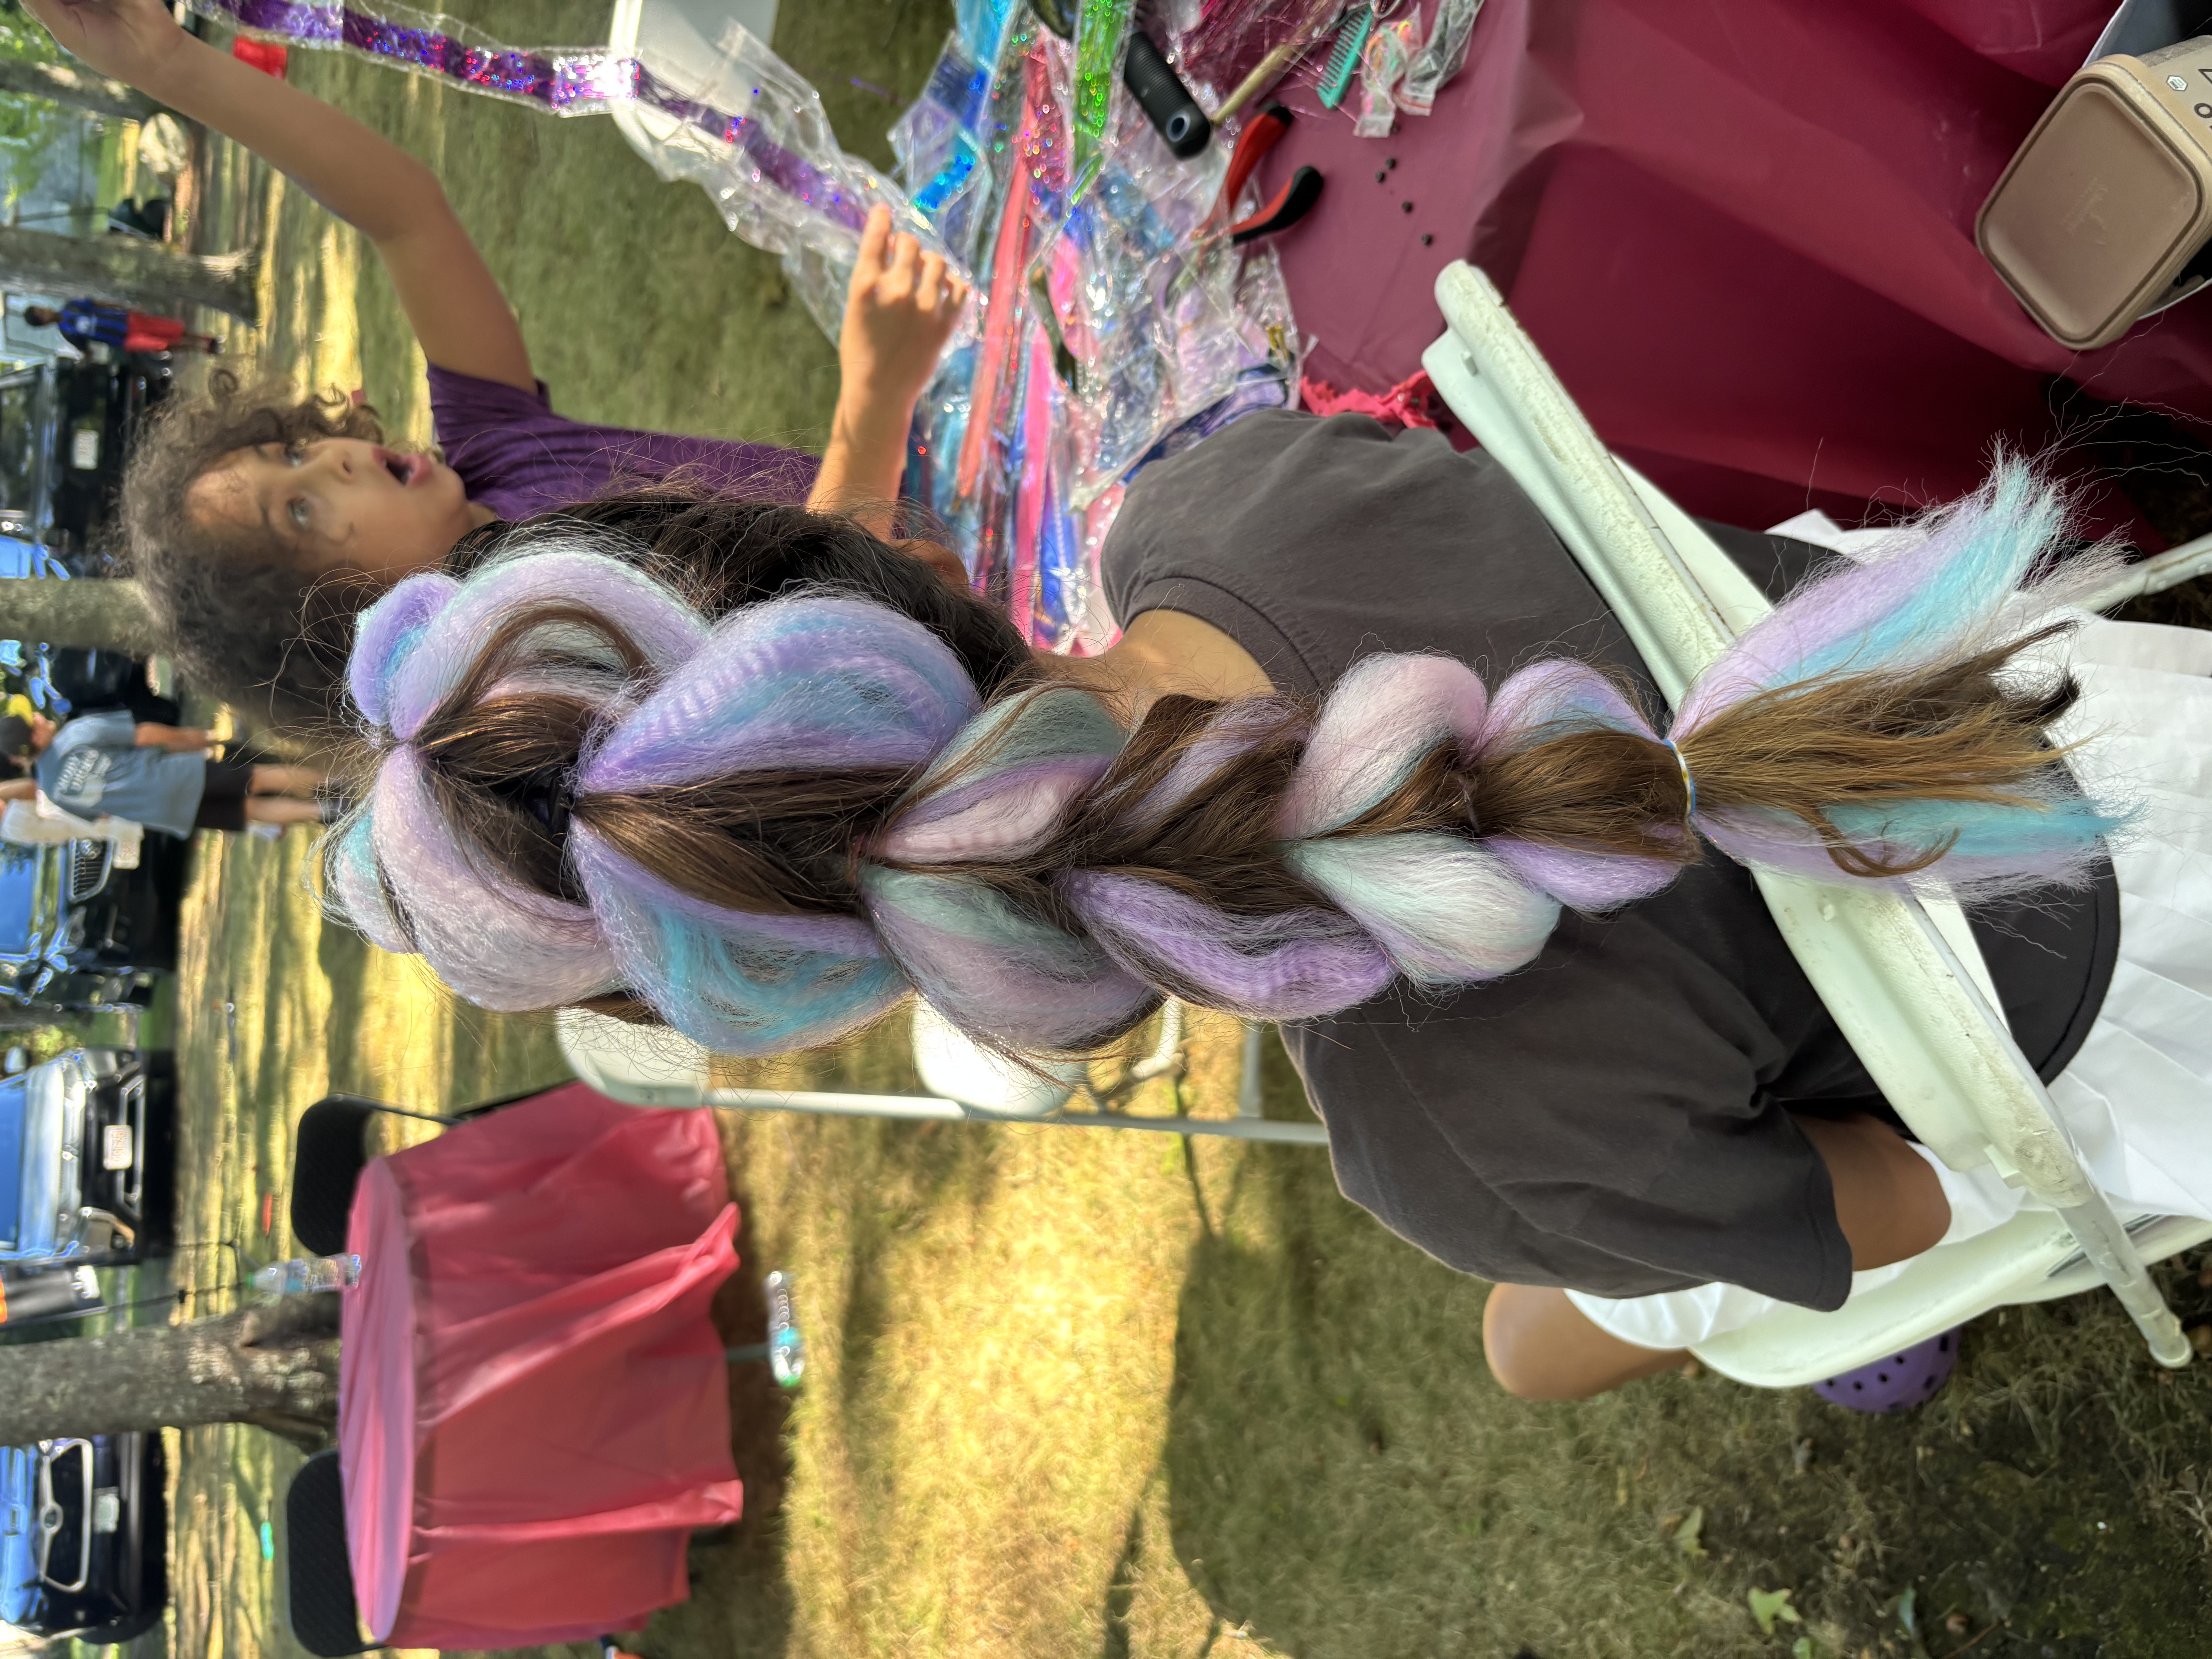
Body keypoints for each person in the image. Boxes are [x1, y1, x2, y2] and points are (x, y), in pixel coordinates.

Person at [316, 275, 2212, 1414]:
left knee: (1534, 1336)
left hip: (2136, 1038)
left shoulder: (1447, 1150)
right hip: (2073, 688)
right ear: (899, 566)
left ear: (888, 961)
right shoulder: (1230, 496)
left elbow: (1911, 1196)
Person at [19, 0, 964, 728]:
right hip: (977, 664)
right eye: (301, 510)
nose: (335, 459)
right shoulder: (531, 663)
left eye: (296, 451)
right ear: (335, 629)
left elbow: (405, 214)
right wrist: (874, 399)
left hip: (958, 520)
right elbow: (812, 660)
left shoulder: (496, 449)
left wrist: (168, 64)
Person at [0, 707, 326, 835]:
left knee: (248, 811)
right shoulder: (74, 734)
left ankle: (325, 811)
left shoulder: (55, 793)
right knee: (256, 779)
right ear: (35, 736)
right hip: (174, 776)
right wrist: (196, 739)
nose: (41, 719)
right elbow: (144, 736)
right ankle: (336, 780)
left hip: (166, 814)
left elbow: (99, 816)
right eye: (35, 722)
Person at [24, 299, 216, 356]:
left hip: (125, 320)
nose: (46, 314)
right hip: (121, 340)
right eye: (42, 318)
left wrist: (125, 309)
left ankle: (203, 338)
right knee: (162, 345)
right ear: (44, 324)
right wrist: (85, 360)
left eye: (42, 310)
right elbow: (86, 350)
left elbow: (99, 305)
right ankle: (198, 348)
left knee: (166, 329)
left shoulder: (71, 307)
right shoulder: (67, 333)